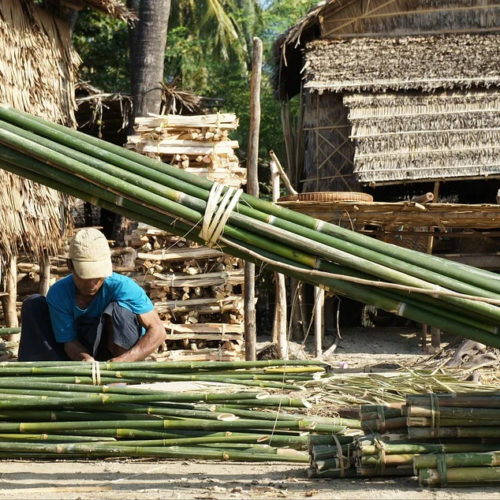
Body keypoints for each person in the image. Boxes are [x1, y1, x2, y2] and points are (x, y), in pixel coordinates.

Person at [18, 228, 166, 362]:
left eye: (98, 277)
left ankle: (120, 379)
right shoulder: (59, 293)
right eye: (86, 277)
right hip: (78, 355)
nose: (92, 284)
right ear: (70, 265)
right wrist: (84, 359)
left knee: (121, 310)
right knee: (33, 304)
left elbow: (158, 331)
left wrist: (124, 360)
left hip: (118, 355)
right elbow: (69, 342)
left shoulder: (123, 287)